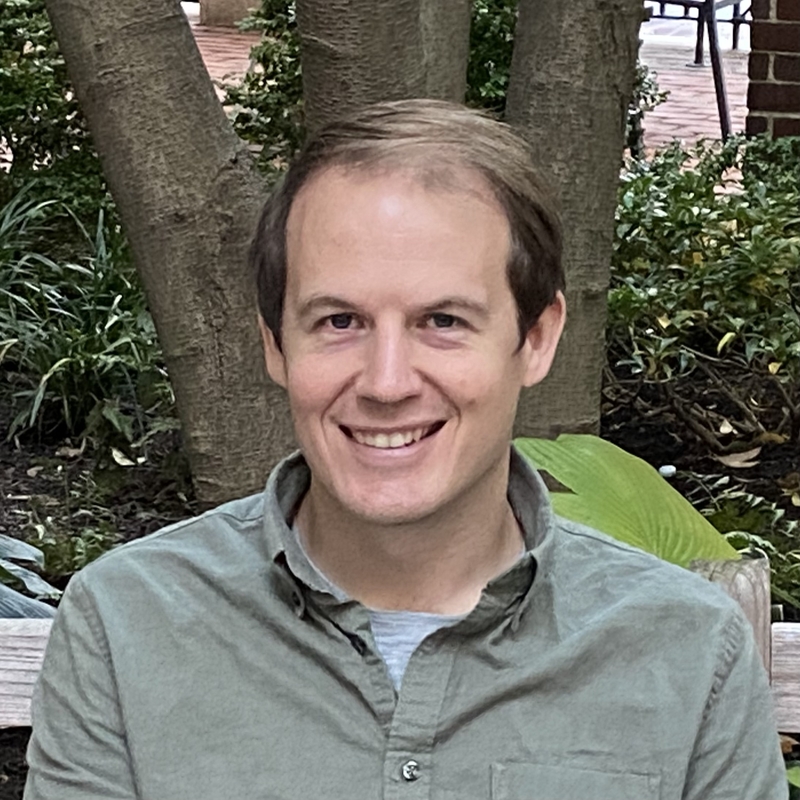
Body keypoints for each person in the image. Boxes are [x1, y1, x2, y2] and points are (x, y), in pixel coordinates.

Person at [24, 99, 786, 800]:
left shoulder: (685, 652)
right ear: (275, 344)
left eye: (443, 322)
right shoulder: (128, 625)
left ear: (536, 338)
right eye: (339, 322)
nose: (386, 382)